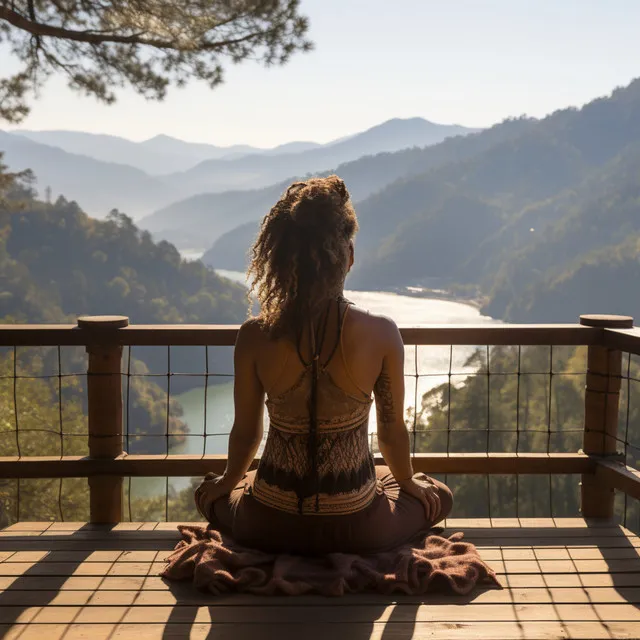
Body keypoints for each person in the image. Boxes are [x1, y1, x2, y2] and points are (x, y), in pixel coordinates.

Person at [194, 175, 453, 555]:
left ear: (279, 259)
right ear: (348, 257)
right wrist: (409, 483)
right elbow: (392, 432)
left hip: (266, 523)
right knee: (437, 495)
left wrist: (225, 483)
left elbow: (247, 434)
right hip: (358, 527)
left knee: (210, 493)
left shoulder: (254, 335)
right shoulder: (382, 333)